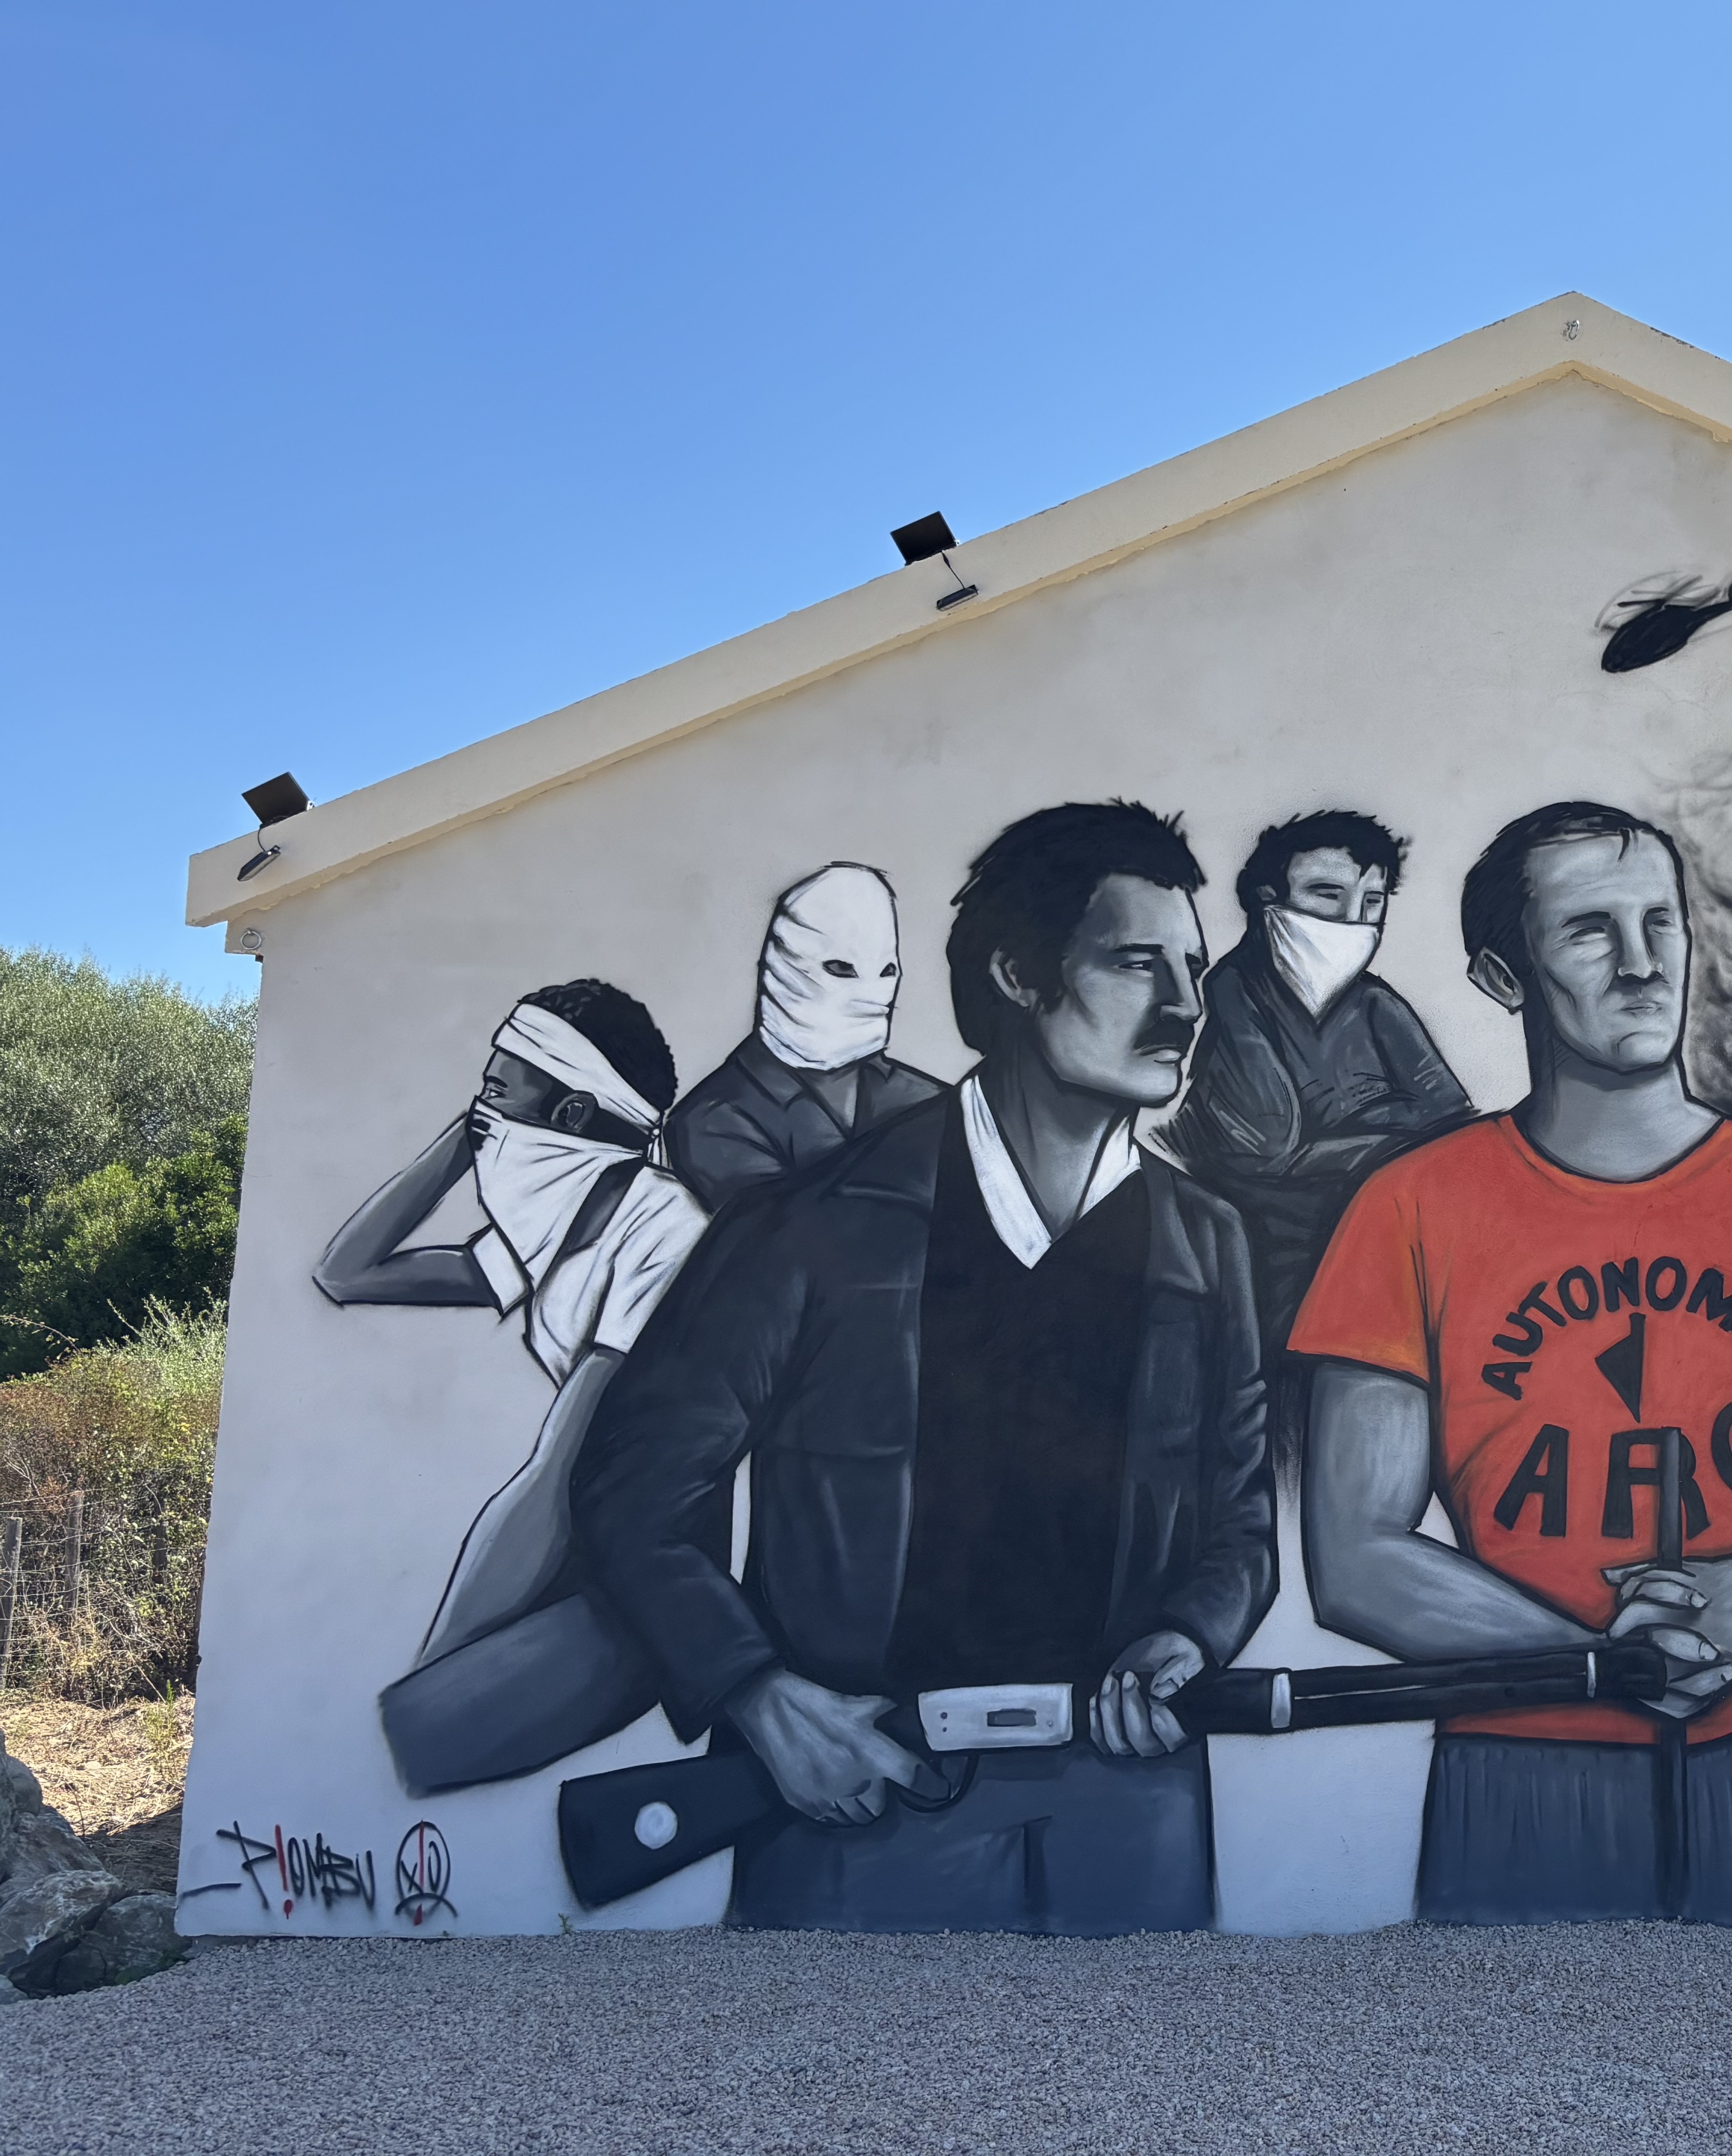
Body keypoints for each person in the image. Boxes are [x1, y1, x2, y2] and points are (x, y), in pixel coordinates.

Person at [570, 803, 1275, 1933]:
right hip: (860, 1802)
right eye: (1140, 963)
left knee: (1153, 2101)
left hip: (1130, 1801)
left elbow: (1240, 1521)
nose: (1186, 1007)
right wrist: (759, 1698)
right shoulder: (813, 1226)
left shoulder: (1208, 1243)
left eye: (1194, 968)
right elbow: (636, 1494)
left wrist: (1191, 1638)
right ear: (1019, 975)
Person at [1293, 799, 1732, 1927]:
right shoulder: (1407, 1210)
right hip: (1518, 1766)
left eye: (1662, 924)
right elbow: (1356, 1554)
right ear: (1505, 976)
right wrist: (1602, 1663)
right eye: (1592, 932)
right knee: (1509, 2091)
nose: (1644, 965)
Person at [315, 979, 705, 1668]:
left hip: (672, 1562)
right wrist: (461, 1146)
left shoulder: (663, 1228)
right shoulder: (552, 1231)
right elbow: (348, 1273)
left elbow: (559, 1470)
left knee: (427, 1725)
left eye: (497, 1094)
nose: (479, 1114)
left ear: (574, 1111)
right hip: (602, 1531)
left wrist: (436, 1661)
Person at [1161, 812, 1470, 1456]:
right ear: (1268, 900)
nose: (1352, 921)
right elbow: (1269, 1148)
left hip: (1377, 1248)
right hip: (1271, 1265)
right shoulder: (1232, 992)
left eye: (1372, 903)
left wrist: (1346, 1148)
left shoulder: (1377, 1005)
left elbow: (1456, 1131)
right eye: (1328, 896)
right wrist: (1394, 1132)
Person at [665, 862, 945, 1211]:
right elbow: (790, 1241)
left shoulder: (930, 1100)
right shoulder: (713, 1119)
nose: (870, 991)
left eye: (887, 971)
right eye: (841, 969)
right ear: (783, 964)